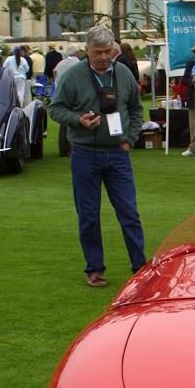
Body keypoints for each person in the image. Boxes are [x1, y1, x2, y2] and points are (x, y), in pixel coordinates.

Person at [50, 25, 146, 288]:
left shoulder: (123, 73)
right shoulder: (73, 75)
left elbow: (136, 109)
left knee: (129, 212)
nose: (103, 57)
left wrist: (130, 139)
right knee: (89, 215)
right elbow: (55, 108)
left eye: (107, 51)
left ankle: (140, 268)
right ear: (87, 50)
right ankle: (94, 269)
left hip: (117, 154)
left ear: (114, 49)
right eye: (97, 52)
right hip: (85, 154)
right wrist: (78, 120)